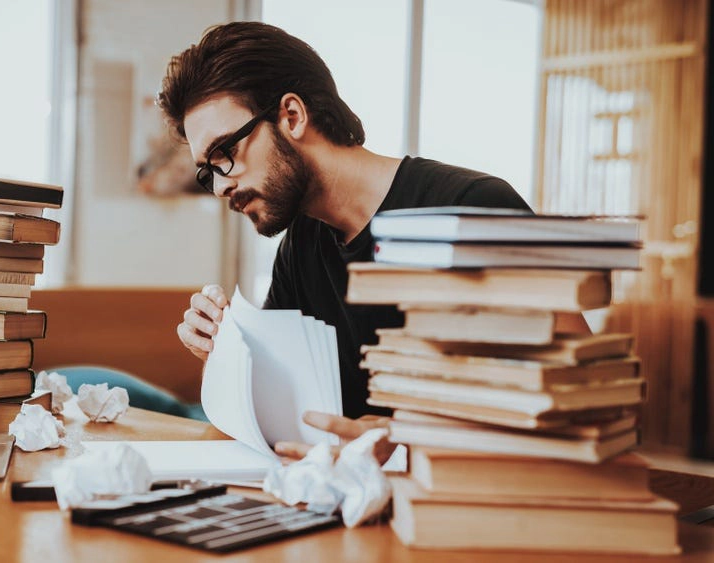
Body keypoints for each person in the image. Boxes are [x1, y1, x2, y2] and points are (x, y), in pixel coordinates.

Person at [158, 21, 532, 461]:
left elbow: (579, 397)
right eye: (208, 172)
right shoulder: (301, 246)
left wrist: (406, 434)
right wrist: (223, 355)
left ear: (292, 116)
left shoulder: (472, 206)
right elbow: (286, 414)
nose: (220, 187)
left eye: (226, 155)